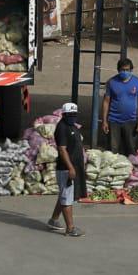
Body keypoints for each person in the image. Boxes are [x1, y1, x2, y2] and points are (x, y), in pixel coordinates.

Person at [47, 102, 86, 238]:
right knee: (66, 198)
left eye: (75, 114)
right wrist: (70, 167)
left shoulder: (72, 126)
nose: (73, 117)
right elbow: (62, 150)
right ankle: (70, 228)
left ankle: (53, 220)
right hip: (65, 169)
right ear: (63, 115)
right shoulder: (62, 128)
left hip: (72, 167)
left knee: (65, 195)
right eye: (70, 115)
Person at [100, 58, 138, 157]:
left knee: (131, 149)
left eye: (127, 70)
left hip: (131, 121)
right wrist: (104, 121)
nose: (125, 72)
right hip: (114, 121)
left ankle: (131, 170)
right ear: (118, 70)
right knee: (113, 150)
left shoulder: (137, 82)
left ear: (131, 70)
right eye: (122, 70)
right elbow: (106, 101)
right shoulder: (111, 82)